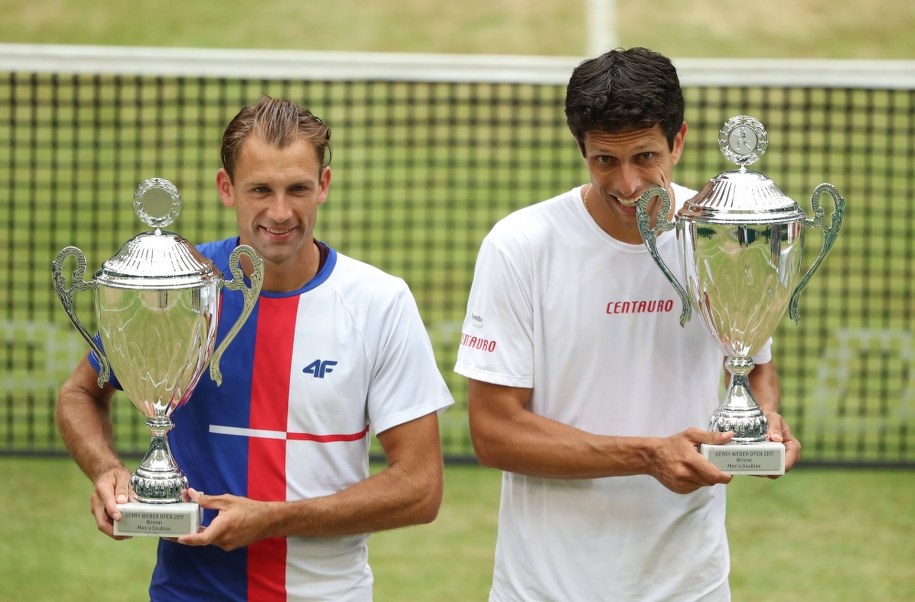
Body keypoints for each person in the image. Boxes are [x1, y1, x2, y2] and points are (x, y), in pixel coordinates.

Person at [56, 95, 454, 601]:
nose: (281, 212)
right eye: (261, 189)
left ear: (324, 187)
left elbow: (420, 489)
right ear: (227, 188)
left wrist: (273, 520)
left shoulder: (380, 302)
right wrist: (107, 469)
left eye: (298, 189)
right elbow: (79, 393)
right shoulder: (179, 287)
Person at [454, 47, 801, 601]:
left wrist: (762, 426)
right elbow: (494, 432)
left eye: (646, 156)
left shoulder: (723, 231)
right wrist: (647, 455)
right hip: (545, 588)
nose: (629, 183)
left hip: (691, 586)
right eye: (604, 161)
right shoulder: (518, 246)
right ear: (582, 151)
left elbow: (756, 369)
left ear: (679, 140)